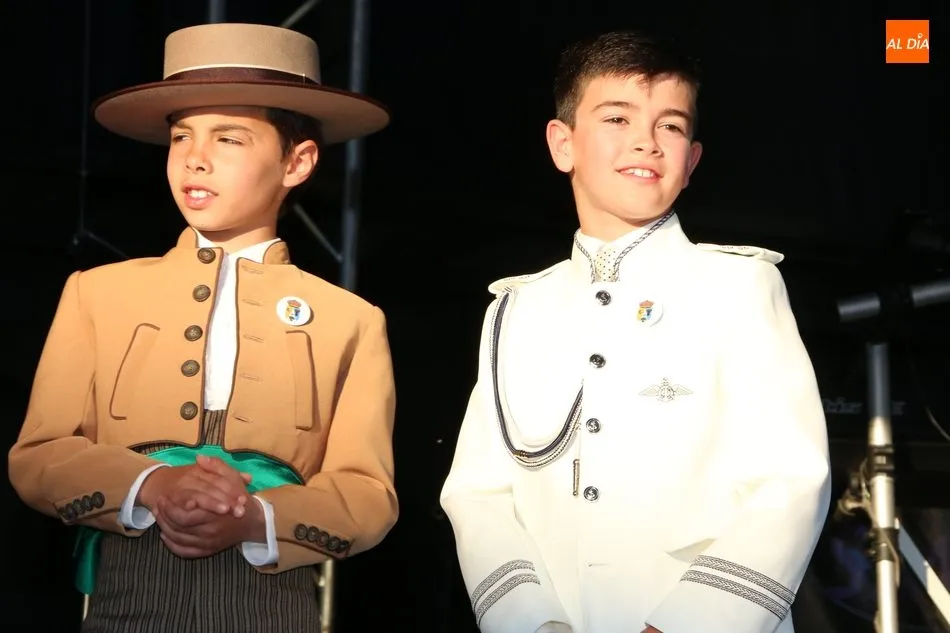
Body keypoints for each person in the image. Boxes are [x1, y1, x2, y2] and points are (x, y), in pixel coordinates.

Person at [8, 22, 397, 633]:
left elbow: (368, 494)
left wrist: (255, 519)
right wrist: (152, 485)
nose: (195, 157)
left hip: (273, 610)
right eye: (181, 136)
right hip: (126, 603)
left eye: (229, 138)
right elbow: (39, 455)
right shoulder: (97, 293)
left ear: (297, 161)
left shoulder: (350, 320)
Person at [439, 29, 831, 633]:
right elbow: (478, 493)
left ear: (691, 160)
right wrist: (531, 623)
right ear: (562, 144)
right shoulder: (517, 309)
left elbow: (791, 480)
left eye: (670, 125)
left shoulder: (738, 286)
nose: (646, 141)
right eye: (617, 118)